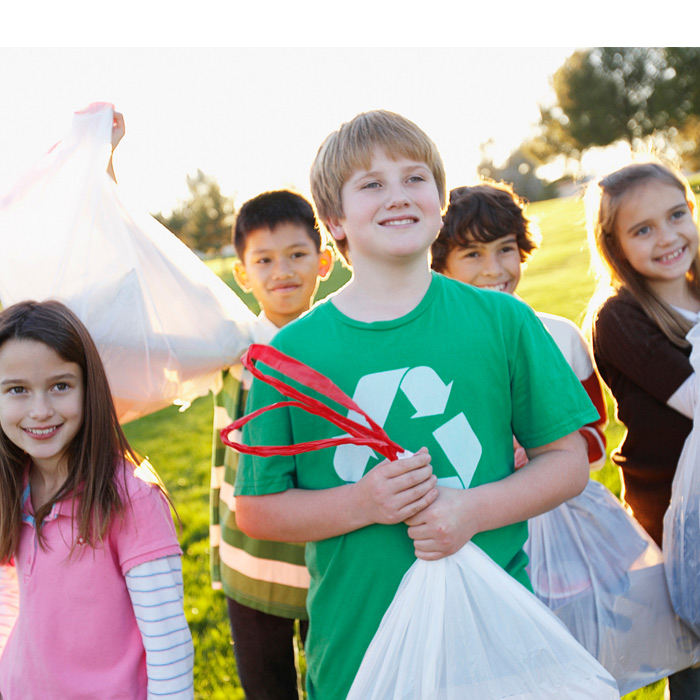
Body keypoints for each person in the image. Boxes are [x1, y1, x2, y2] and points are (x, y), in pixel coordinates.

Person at [233, 109, 598, 700]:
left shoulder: (503, 321)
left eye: (415, 178)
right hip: (360, 646)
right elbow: (258, 510)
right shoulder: (292, 353)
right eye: (371, 185)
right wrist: (364, 501)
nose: (397, 196)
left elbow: (567, 460)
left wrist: (472, 512)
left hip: (494, 640)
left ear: (440, 197)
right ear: (334, 220)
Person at [0, 300, 194, 700]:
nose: (40, 411)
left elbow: (170, 651)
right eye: (17, 390)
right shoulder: (10, 486)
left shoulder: (132, 499)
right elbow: (10, 604)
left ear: (90, 388)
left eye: (60, 386)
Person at [210, 190, 332, 699]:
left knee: (338, 681)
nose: (282, 270)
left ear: (324, 261)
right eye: (264, 259)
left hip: (328, 551)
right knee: (266, 688)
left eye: (297, 255)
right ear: (242, 273)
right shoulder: (229, 344)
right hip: (250, 556)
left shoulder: (338, 337)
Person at [586, 161, 700, 699]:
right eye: (643, 229)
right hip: (681, 530)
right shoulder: (620, 318)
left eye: (677, 215)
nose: (668, 237)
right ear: (615, 246)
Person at [431, 181, 608, 468]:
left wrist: (547, 451)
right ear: (439, 263)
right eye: (473, 254)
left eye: (505, 249)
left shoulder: (562, 337)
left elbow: (596, 437)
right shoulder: (430, 349)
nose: (494, 268)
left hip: (560, 504)